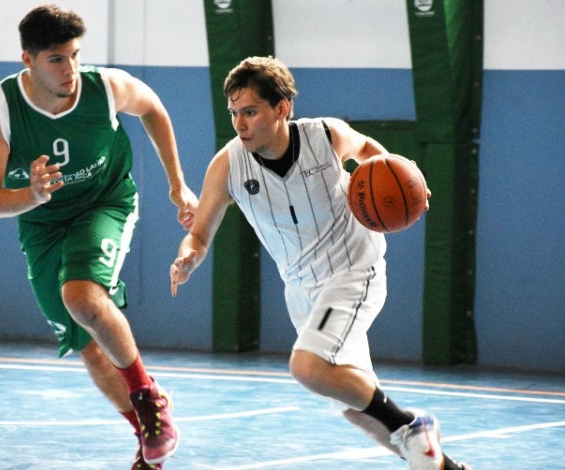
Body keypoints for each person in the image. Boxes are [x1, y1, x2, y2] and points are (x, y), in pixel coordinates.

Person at [170, 56, 470, 470]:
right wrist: (188, 256)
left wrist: (401, 177)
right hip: (303, 291)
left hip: (353, 270)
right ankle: (444, 466)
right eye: (234, 113)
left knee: (308, 367)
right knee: (353, 405)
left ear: (281, 109)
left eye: (251, 111)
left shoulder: (324, 136)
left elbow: (368, 150)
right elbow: (200, 232)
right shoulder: (227, 165)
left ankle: (412, 426)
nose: (240, 123)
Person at [0, 5, 197, 468]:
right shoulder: (0, 108)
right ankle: (149, 436)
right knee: (89, 348)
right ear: (28, 60)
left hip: (105, 202)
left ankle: (147, 397)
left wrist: (176, 182)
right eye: (57, 59)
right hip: (42, 222)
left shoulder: (104, 87)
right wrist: (30, 196)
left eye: (75, 55)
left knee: (81, 295)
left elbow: (152, 107)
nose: (70, 69)